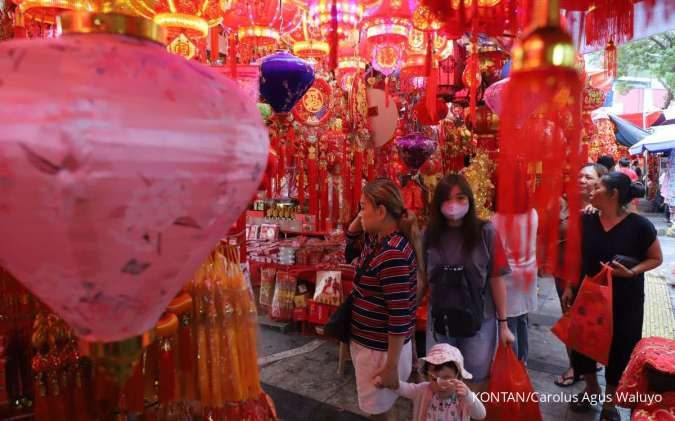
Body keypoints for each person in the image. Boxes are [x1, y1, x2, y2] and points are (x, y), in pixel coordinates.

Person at [562, 172, 663, 421]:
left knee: (620, 347)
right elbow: (577, 256)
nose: (590, 191)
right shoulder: (586, 220)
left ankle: (609, 402)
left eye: (596, 187)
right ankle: (591, 389)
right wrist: (568, 287)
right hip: (589, 295)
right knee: (582, 344)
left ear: (613, 194)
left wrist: (632, 272)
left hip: (625, 299)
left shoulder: (640, 226)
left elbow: (655, 258)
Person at [423, 174, 515, 392]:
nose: (453, 204)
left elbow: (496, 278)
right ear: (438, 204)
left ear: (470, 200)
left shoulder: (486, 232)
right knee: (440, 382)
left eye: (460, 197)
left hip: (480, 321)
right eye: (446, 199)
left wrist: (504, 324)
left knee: (475, 379)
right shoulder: (429, 234)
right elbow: (421, 277)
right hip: (440, 320)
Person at [345, 178, 426, 421]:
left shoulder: (393, 253)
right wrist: (353, 229)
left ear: (381, 212)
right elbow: (350, 254)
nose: (360, 214)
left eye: (363, 207)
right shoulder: (377, 240)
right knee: (378, 411)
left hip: (379, 353)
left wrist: (390, 368)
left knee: (378, 413)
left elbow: (400, 317)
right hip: (370, 346)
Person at [553, 163, 608, 387]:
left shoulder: (604, 208)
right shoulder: (563, 204)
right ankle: (575, 365)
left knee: (591, 323)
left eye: (588, 177)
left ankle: (590, 369)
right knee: (570, 319)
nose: (581, 180)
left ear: (600, 181)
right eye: (579, 176)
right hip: (564, 270)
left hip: (592, 274)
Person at [393, 343, 486, 421]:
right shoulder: (423, 390)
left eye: (447, 378)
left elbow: (481, 414)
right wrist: (388, 382)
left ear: (459, 377)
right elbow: (404, 389)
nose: (440, 385)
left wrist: (468, 396)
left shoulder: (463, 396)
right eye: (434, 379)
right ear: (427, 377)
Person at [492, 206, 538, 364]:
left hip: (509, 279)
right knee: (521, 320)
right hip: (527, 274)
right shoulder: (532, 212)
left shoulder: (501, 217)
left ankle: (513, 368)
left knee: (509, 325)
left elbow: (497, 252)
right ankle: (522, 363)